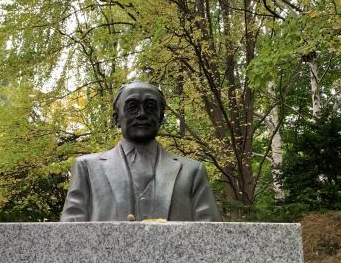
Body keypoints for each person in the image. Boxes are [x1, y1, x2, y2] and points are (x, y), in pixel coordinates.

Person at [61, 81, 221, 222]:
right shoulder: (87, 168)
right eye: (132, 107)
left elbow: (211, 234)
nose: (142, 114)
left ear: (161, 117)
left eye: (150, 107)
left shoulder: (192, 172)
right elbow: (69, 234)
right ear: (116, 118)